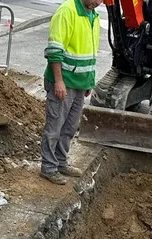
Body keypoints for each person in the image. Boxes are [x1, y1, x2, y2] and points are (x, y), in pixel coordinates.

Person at [40, 0, 102, 185]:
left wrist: (89, 81)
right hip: (64, 82)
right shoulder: (67, 11)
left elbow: (90, 53)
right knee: (55, 127)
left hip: (80, 83)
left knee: (70, 127)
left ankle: (60, 162)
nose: (98, 2)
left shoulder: (93, 15)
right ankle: (48, 168)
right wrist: (59, 81)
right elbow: (54, 50)